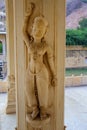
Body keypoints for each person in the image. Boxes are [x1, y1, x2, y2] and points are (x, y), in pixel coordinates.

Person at [23, 3, 56, 120]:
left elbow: (50, 60)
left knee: (43, 93)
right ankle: (34, 108)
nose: (37, 31)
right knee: (28, 90)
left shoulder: (45, 46)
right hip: (30, 72)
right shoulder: (30, 44)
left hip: (42, 72)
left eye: (41, 29)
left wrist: (54, 75)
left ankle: (43, 110)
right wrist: (27, 16)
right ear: (32, 29)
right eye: (35, 28)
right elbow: (23, 32)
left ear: (45, 32)